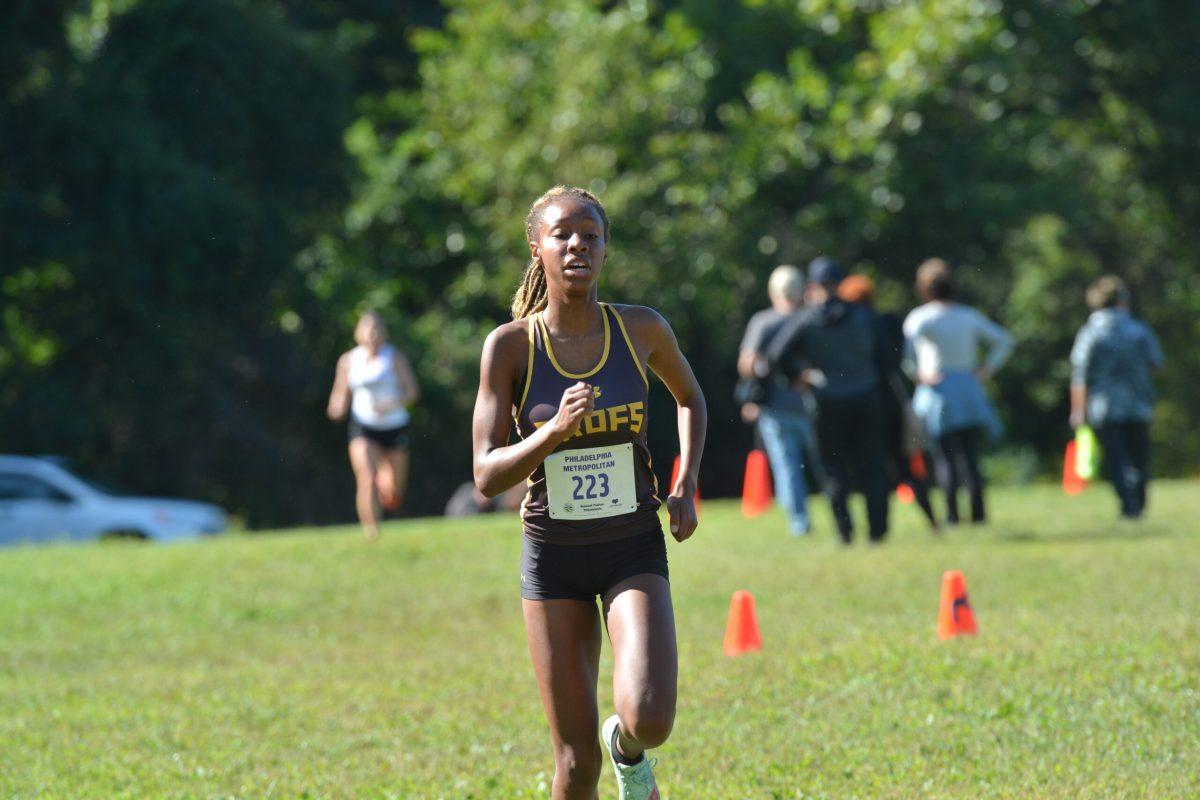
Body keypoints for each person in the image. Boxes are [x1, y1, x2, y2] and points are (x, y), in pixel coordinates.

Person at [471, 186, 706, 800]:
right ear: (537, 248)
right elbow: (486, 474)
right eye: (562, 235)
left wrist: (684, 484)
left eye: (591, 235)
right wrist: (551, 431)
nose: (578, 244)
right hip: (553, 557)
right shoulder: (511, 346)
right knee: (575, 766)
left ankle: (627, 750)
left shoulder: (640, 329)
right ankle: (604, 756)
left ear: (605, 249)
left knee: (650, 717)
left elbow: (690, 399)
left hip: (631, 545)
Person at [765, 257, 890, 544]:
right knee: (872, 465)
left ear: (812, 286)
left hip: (826, 401)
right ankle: (877, 531)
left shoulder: (806, 319)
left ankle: (845, 532)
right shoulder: (864, 315)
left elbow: (774, 355)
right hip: (866, 397)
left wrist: (798, 376)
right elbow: (886, 357)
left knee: (834, 469)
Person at [902, 258, 1012, 525]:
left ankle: (952, 516)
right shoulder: (968, 316)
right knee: (971, 458)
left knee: (945, 458)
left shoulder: (921, 317)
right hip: (969, 389)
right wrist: (987, 369)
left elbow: (906, 353)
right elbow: (1004, 340)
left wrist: (918, 375)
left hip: (938, 392)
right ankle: (978, 515)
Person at [838, 274, 939, 532]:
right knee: (906, 467)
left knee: (874, 469)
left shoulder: (850, 330)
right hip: (892, 403)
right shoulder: (888, 323)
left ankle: (880, 527)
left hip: (868, 405)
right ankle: (933, 520)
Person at [1069, 276, 1164, 519]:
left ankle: (1128, 506)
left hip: (1104, 405)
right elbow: (1157, 365)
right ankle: (1138, 505)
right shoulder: (1139, 330)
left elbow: (1080, 374)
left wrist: (1077, 410)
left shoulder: (1090, 332)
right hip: (1138, 402)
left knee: (1117, 458)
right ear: (1122, 301)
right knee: (1139, 458)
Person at [737, 264, 819, 536]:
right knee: (825, 464)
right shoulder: (812, 319)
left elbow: (746, 364)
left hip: (774, 407)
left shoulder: (763, 321)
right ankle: (842, 515)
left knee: (788, 468)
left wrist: (763, 368)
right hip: (813, 404)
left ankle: (800, 523)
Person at [326, 311, 421, 540]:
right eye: (368, 329)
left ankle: (387, 486)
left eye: (377, 329)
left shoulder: (394, 358)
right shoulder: (349, 361)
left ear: (384, 333)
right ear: (358, 333)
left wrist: (393, 403)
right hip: (363, 426)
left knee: (394, 490)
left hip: (394, 425)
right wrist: (337, 408)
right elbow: (339, 396)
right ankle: (371, 531)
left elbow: (412, 392)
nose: (373, 334)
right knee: (366, 476)